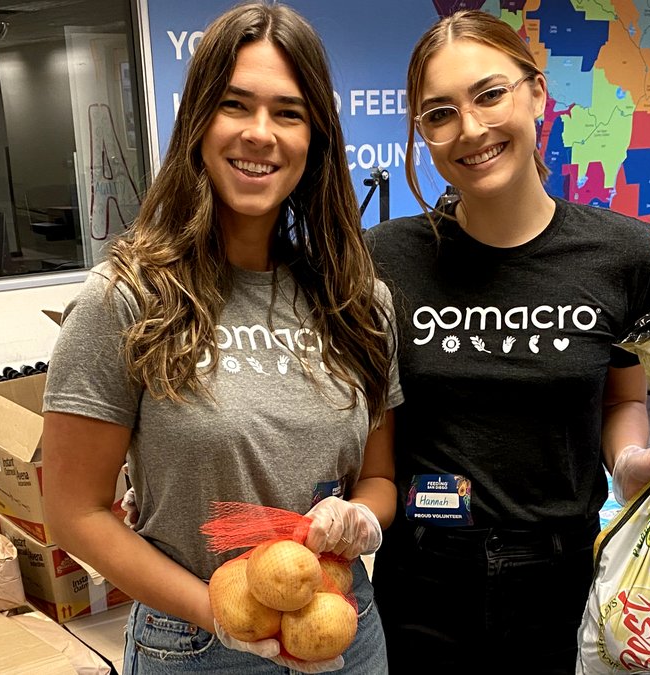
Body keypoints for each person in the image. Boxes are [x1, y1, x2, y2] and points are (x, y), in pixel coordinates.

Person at [40, 3, 402, 673]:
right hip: (196, 641)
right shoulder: (127, 299)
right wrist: (217, 609)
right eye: (236, 105)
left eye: (289, 113)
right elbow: (74, 510)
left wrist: (362, 519)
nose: (260, 134)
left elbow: (378, 475)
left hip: (342, 630)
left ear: (315, 137)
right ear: (199, 122)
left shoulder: (359, 303)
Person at [365, 10, 650, 671]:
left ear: (537, 93)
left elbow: (619, 400)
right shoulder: (385, 259)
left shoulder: (622, 252)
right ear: (423, 133)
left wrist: (629, 462)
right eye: (439, 114)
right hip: (423, 582)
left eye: (491, 94)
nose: (471, 129)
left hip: (563, 580)